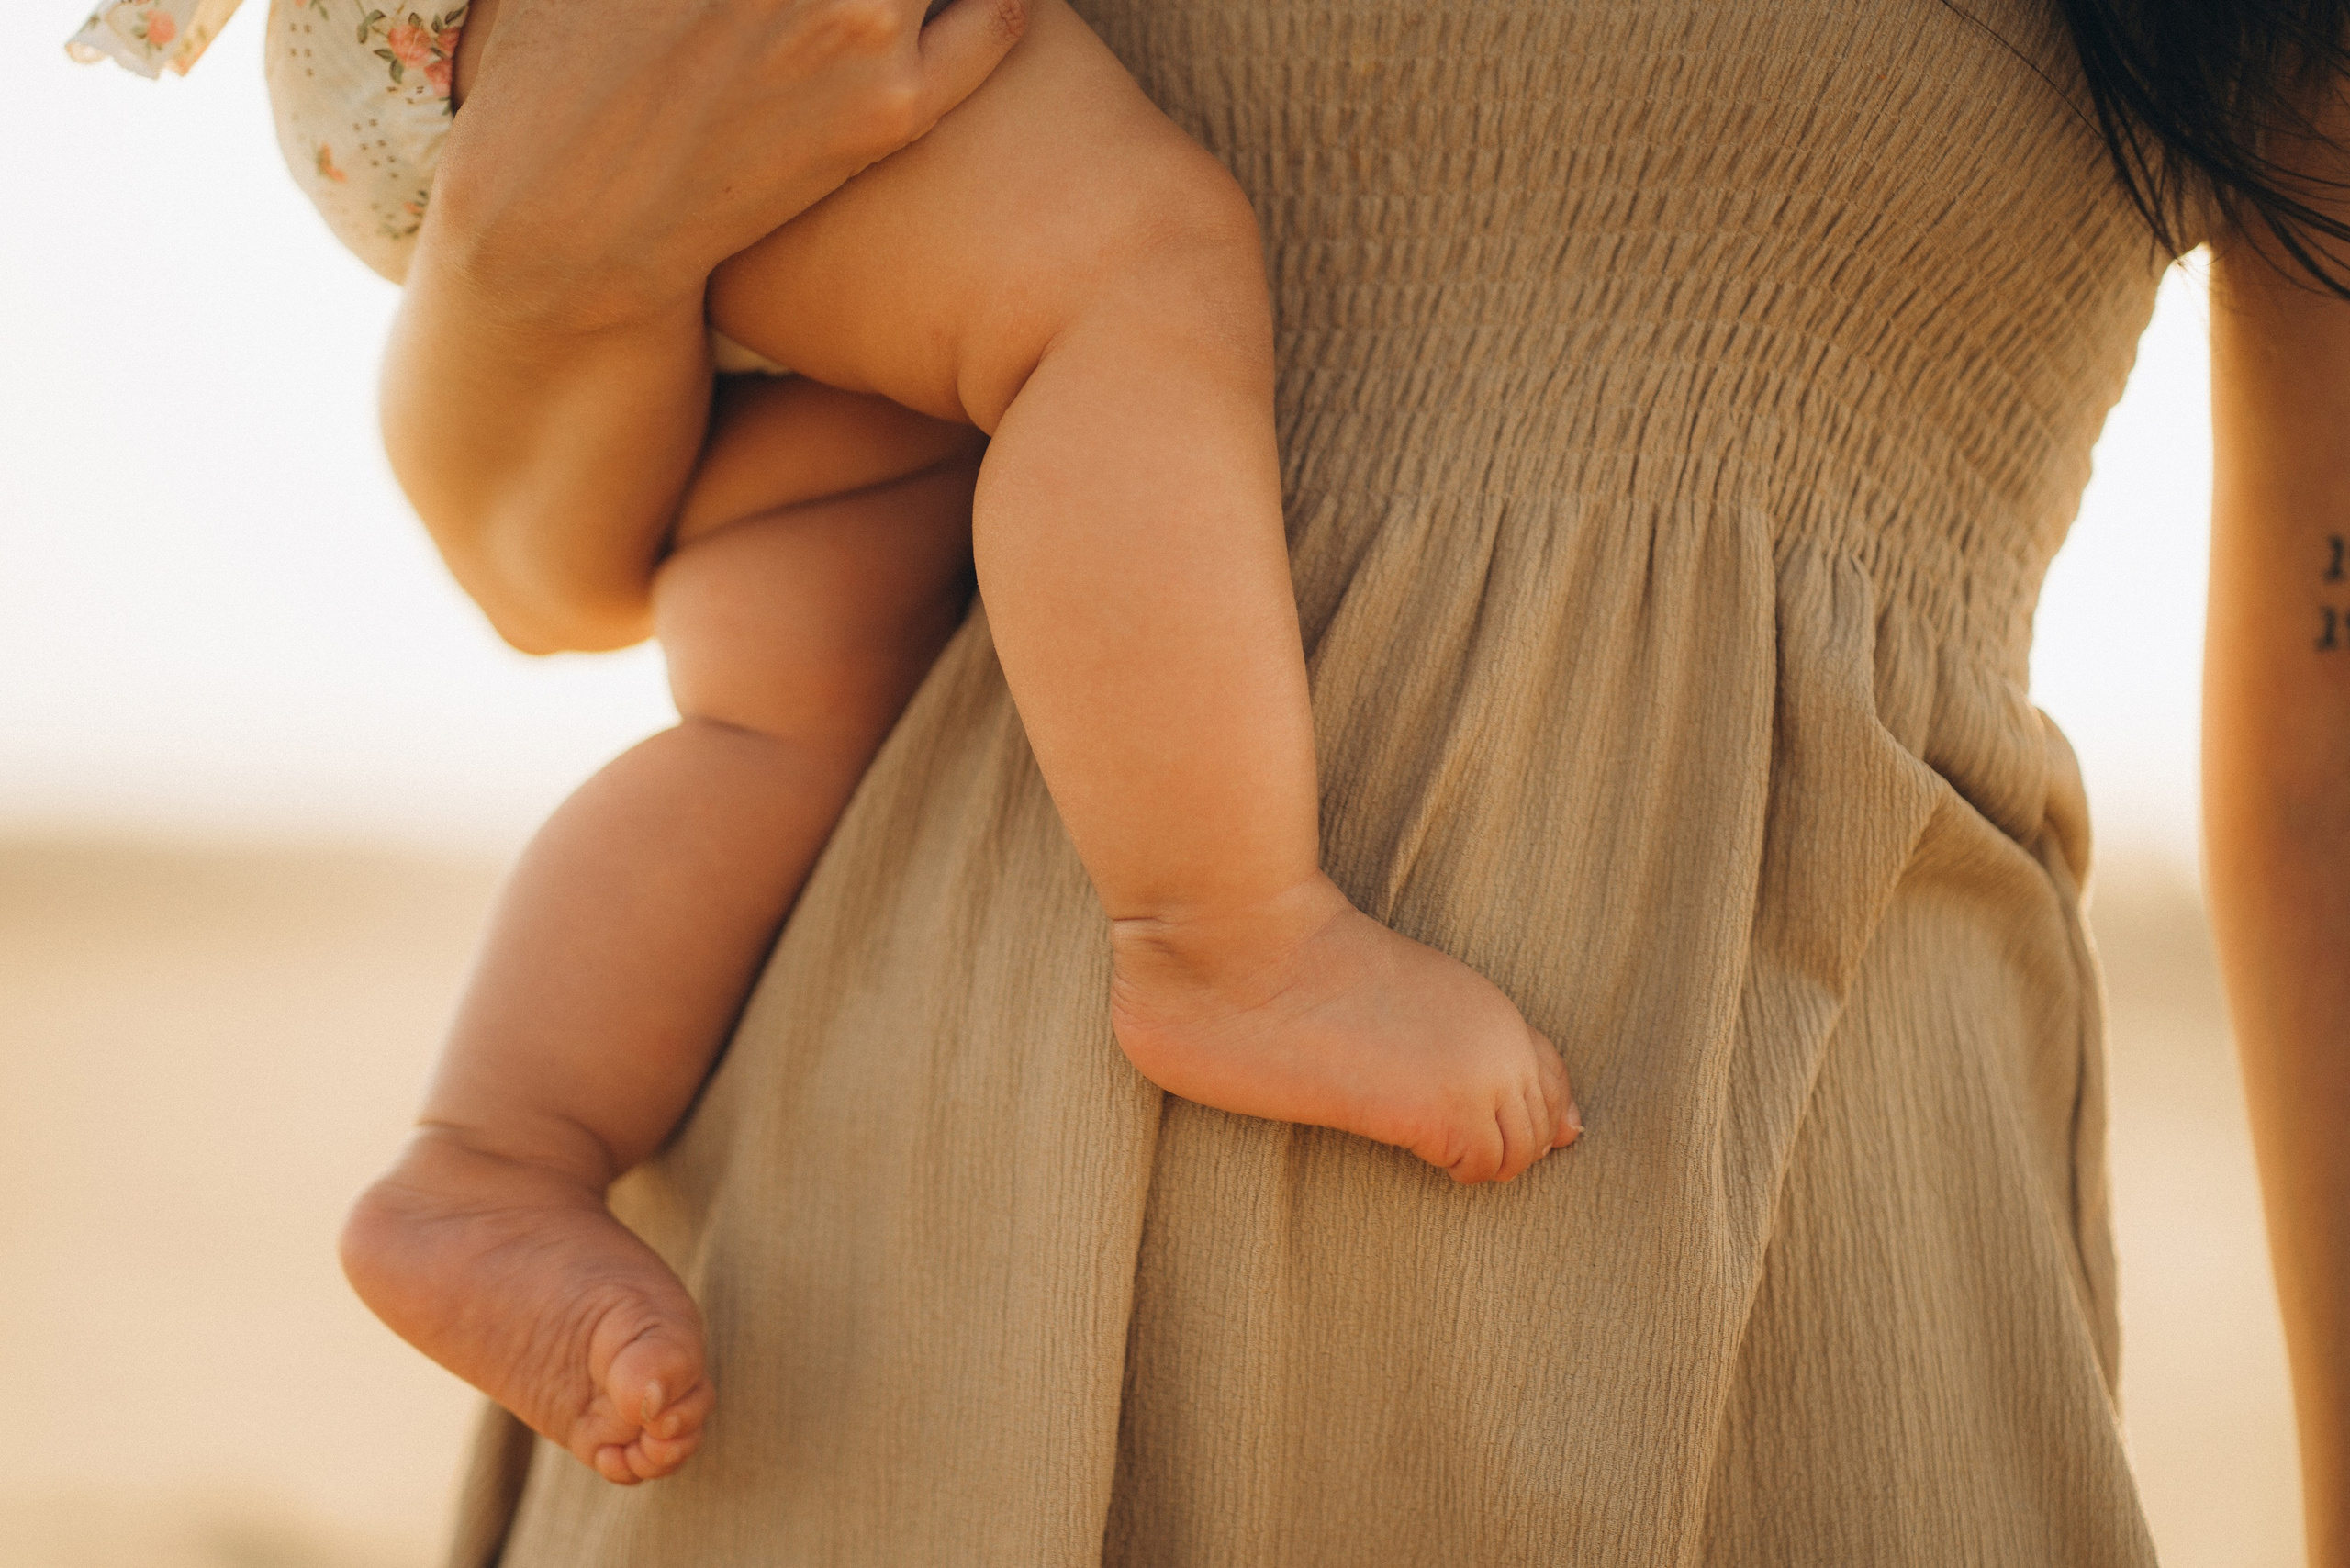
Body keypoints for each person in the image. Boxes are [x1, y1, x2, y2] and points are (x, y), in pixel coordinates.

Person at [79, 0, 1591, 1492]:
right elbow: (535, 583)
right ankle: (1233, 938)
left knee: (781, 701)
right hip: (601, 60)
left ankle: (491, 1160)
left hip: (464, 85)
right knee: (1136, 263)